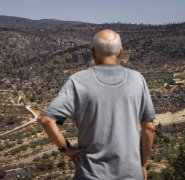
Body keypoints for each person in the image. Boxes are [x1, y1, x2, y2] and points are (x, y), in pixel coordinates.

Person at [39, 29, 156, 180]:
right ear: (121, 52)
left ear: (93, 52)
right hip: (130, 174)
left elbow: (47, 120)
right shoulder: (138, 80)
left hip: (89, 174)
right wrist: (142, 165)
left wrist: (65, 149)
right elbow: (149, 129)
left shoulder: (77, 81)